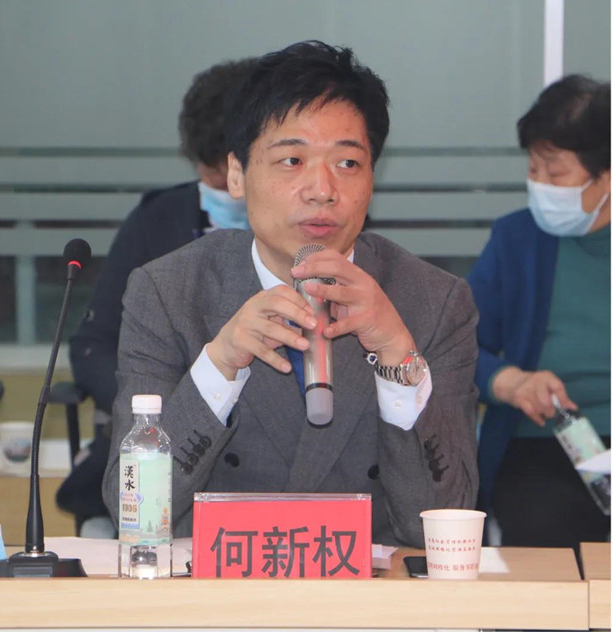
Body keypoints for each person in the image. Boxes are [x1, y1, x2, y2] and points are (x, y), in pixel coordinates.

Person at [102, 40, 479, 547]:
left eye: (348, 163)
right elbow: (135, 512)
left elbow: (444, 524)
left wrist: (397, 357)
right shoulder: (168, 292)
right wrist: (219, 366)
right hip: (216, 586)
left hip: (367, 589)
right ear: (237, 175)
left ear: (373, 177)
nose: (322, 189)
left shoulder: (434, 302)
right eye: (292, 160)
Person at [56, 58, 254, 536]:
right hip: (164, 442)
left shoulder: (315, 227)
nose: (226, 190)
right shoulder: (157, 219)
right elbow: (93, 346)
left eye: (234, 173)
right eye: (211, 175)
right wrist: (160, 406)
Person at [469, 75, 610, 548]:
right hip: (543, 441)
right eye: (533, 169)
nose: (540, 186)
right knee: (545, 537)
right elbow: (455, 344)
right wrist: (509, 381)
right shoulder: (516, 240)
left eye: (556, 174)